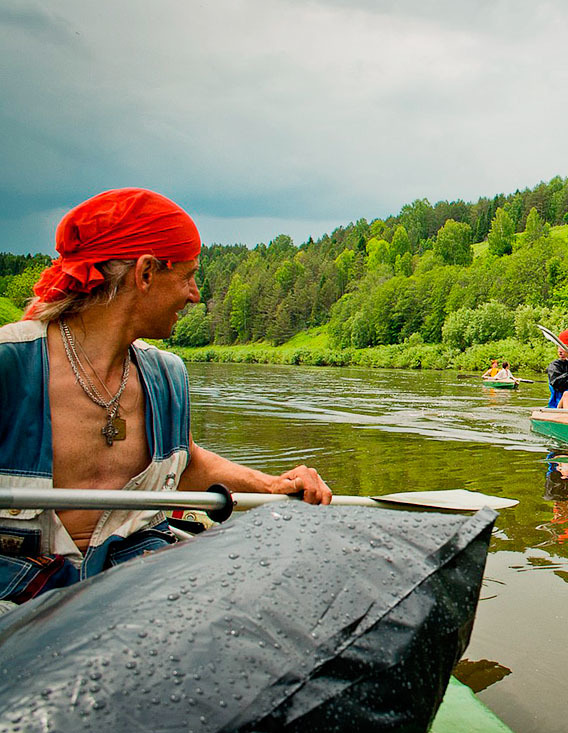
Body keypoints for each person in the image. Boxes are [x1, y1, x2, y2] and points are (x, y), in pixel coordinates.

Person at [0, 188, 332, 607]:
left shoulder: (167, 375)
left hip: (139, 587)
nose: (194, 294)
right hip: (18, 599)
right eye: (187, 276)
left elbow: (186, 461)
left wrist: (272, 484)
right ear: (145, 274)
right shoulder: (10, 366)